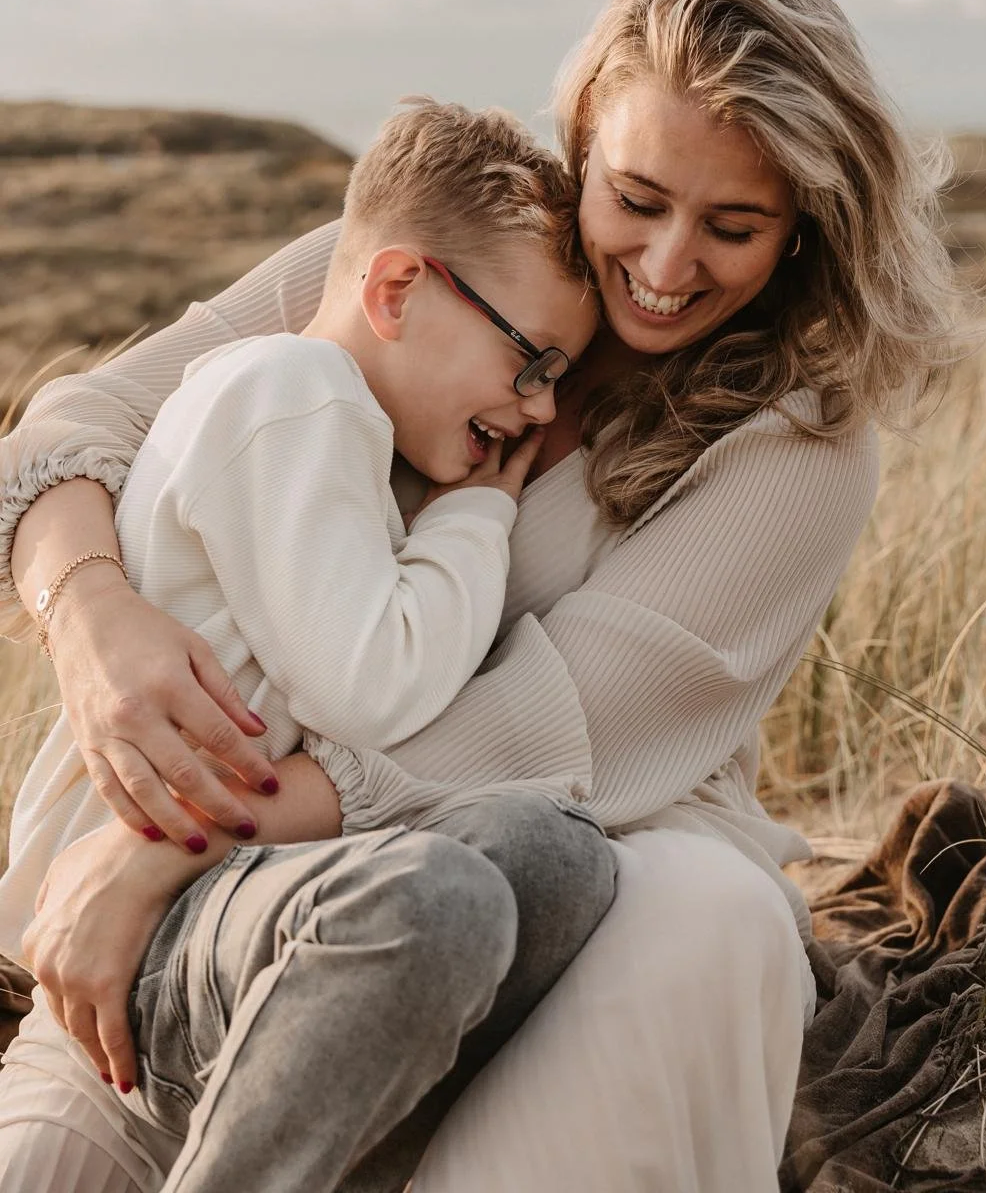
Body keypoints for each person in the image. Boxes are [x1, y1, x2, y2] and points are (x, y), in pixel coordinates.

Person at [0, 0, 961, 1193]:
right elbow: (79, 421)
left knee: (696, 917)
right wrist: (91, 613)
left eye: (731, 227)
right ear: (582, 144)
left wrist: (164, 844)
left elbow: (531, 729)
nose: (667, 269)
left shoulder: (800, 443)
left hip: (584, 857)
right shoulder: (430, 266)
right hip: (247, 885)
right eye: (636, 198)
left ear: (801, 234)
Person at [0, 99, 613, 1184]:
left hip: (230, 897)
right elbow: (375, 687)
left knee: (554, 853)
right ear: (394, 289)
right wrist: (474, 519)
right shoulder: (295, 397)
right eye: (531, 362)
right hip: (155, 919)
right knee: (444, 898)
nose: (537, 409)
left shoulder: (329, 423)